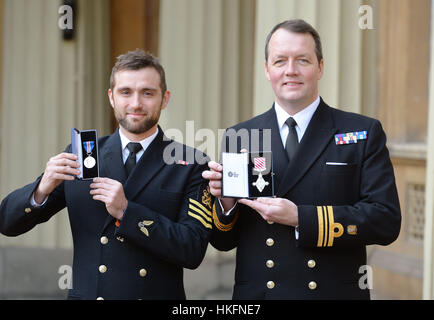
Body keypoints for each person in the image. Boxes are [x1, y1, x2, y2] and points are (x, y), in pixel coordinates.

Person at [202, 19, 401, 299]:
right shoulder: (241, 136)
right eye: (280, 61)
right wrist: (226, 203)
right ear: (267, 69)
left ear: (320, 67)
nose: (291, 71)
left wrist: (301, 218)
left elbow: (386, 221)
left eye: (303, 60)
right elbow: (223, 242)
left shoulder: (361, 132)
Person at [0, 49, 213, 300]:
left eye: (147, 93)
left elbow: (192, 250)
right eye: (125, 92)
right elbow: (7, 224)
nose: (135, 103)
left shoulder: (192, 164)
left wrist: (127, 212)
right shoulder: (84, 154)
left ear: (164, 99)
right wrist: (41, 189)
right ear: (111, 97)